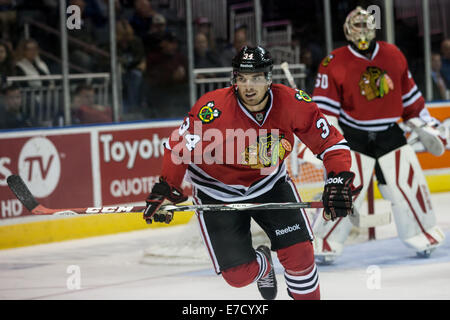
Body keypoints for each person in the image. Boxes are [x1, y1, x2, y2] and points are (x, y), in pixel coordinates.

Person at [142, 46, 358, 300]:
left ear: (268, 78)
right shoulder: (212, 109)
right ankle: (263, 264)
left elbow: (332, 144)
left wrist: (337, 179)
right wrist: (167, 186)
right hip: (217, 191)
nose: (249, 86)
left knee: (300, 256)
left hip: (269, 184)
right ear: (234, 80)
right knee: (238, 276)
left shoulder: (293, 103)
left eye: (256, 77)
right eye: (242, 79)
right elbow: (178, 147)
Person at [312, 7, 447, 264]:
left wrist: (425, 124)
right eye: (357, 26)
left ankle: (423, 233)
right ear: (347, 30)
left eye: (366, 26)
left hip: (390, 134)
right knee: (343, 190)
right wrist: (324, 141)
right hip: (353, 135)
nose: (362, 32)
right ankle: (324, 240)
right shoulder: (333, 61)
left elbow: (410, 99)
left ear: (374, 28)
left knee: (408, 185)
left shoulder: (392, 54)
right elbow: (324, 110)